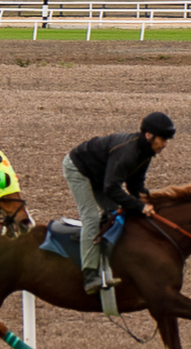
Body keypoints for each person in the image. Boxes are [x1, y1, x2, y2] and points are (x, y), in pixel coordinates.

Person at [64, 112, 175, 294]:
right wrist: (140, 206)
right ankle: (90, 276)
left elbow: (135, 184)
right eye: (162, 139)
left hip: (101, 175)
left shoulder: (145, 153)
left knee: (116, 216)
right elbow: (111, 189)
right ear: (149, 135)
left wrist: (149, 202)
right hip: (79, 169)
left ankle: (103, 259)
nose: (164, 144)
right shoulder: (128, 152)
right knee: (91, 218)